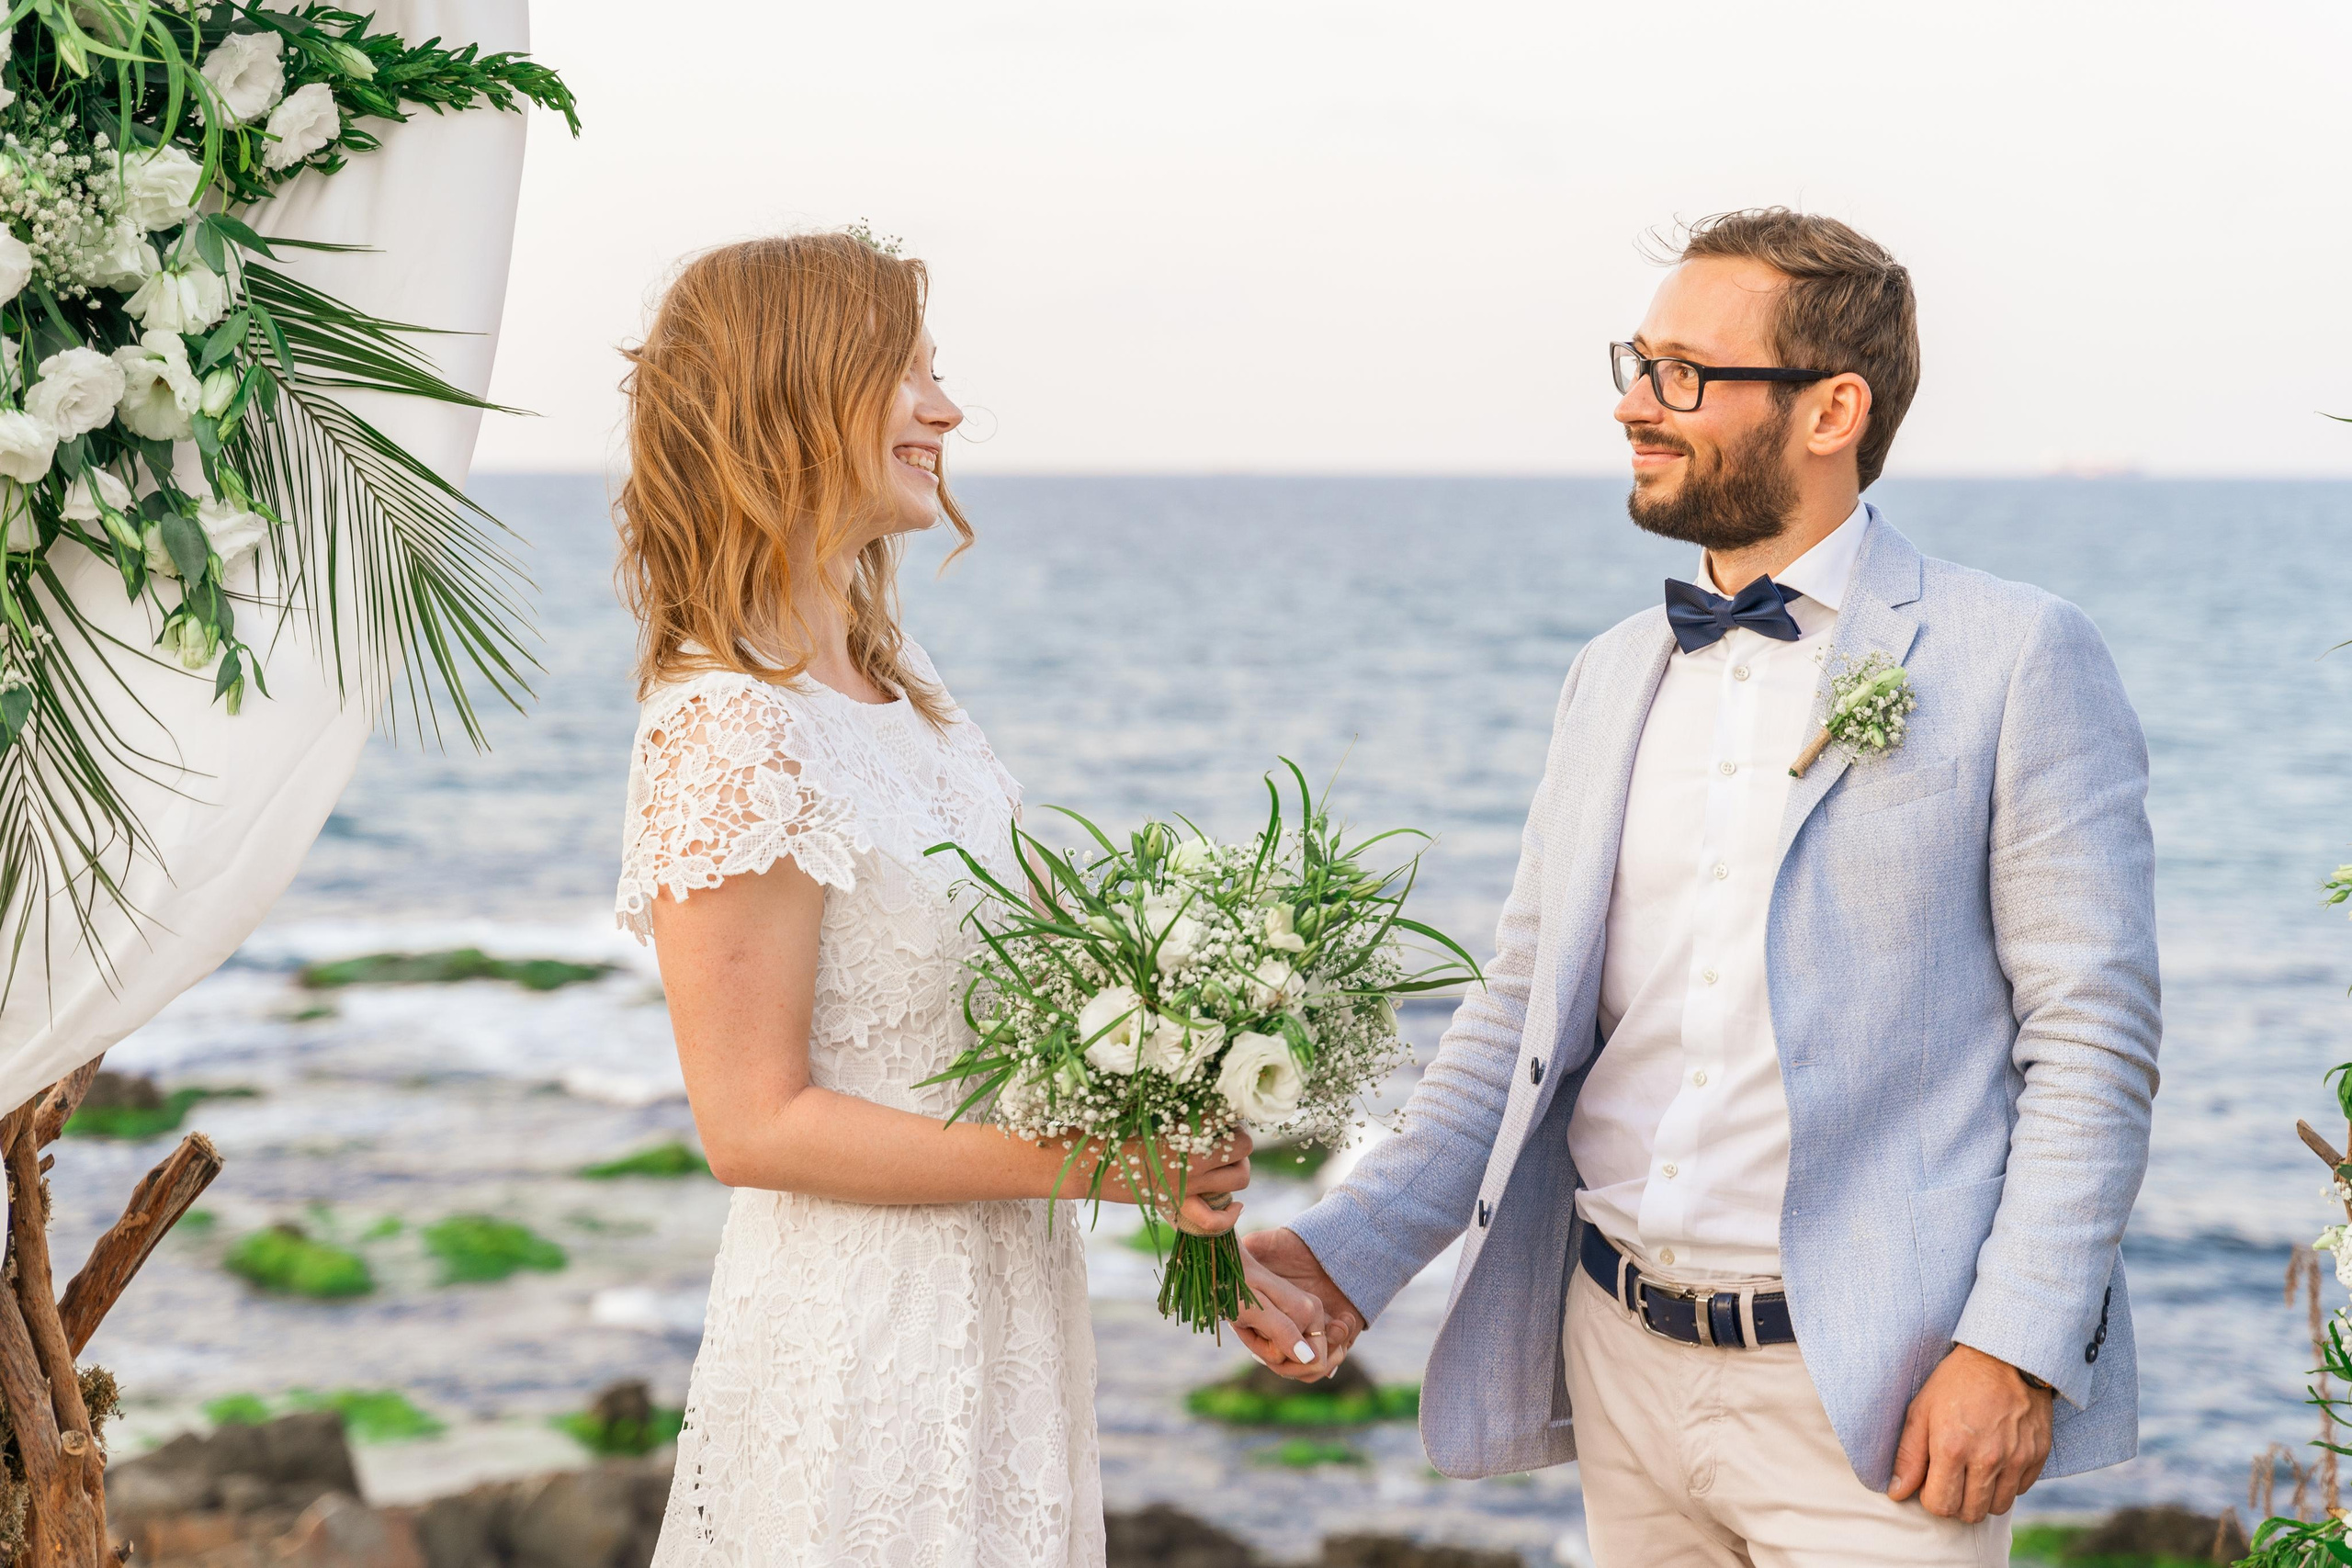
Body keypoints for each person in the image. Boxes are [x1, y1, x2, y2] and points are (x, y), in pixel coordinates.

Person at [1243, 208, 2159, 1565]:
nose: (1633, 404)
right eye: (1637, 363)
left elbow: (2091, 1039)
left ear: (1831, 409)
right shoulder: (1613, 672)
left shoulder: (2019, 655)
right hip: (1616, 1363)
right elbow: (1520, 1017)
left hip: (1879, 1396)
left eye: (1683, 374)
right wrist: (1350, 1248)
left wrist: (2013, 1348)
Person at [612, 231, 1325, 1567]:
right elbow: (753, 1126)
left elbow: (1030, 1020)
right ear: (792, 391)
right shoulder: (730, 728)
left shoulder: (904, 686)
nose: (945, 409)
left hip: (1011, 1322)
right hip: (861, 1341)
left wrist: (1196, 1213)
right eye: (908, 374)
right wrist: (1104, 1167)